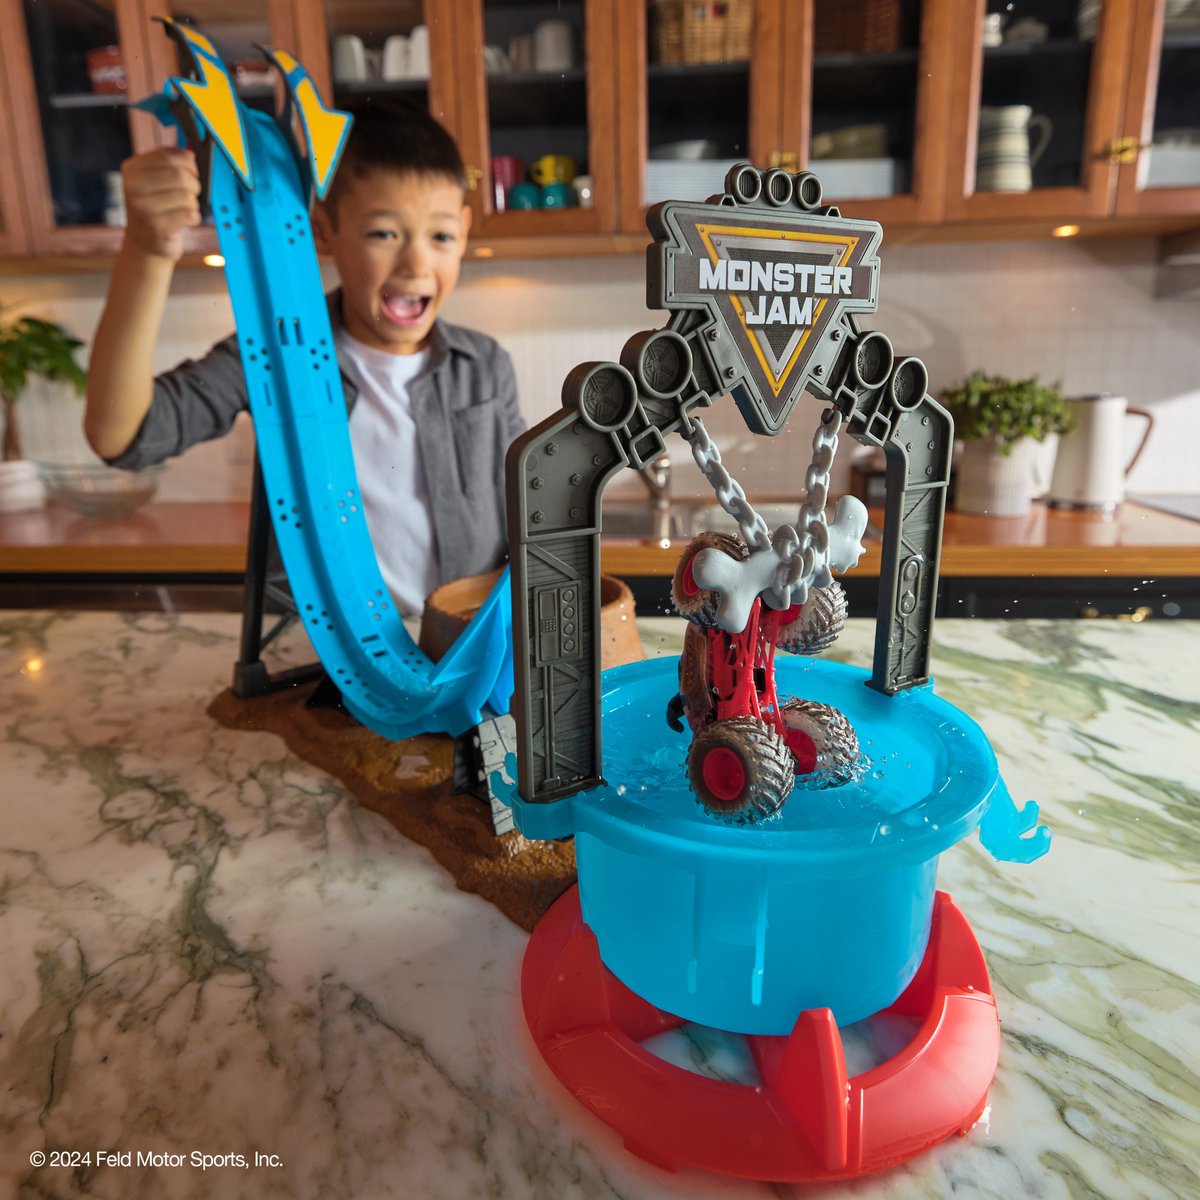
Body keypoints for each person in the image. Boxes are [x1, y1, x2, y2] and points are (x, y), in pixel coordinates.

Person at [85, 104, 525, 616]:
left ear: (465, 231)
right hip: (316, 651)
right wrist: (146, 251)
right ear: (322, 231)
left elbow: (527, 510)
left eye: (441, 236)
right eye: (384, 233)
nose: (416, 263)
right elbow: (122, 437)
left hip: (461, 643)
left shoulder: (486, 364)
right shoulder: (275, 353)